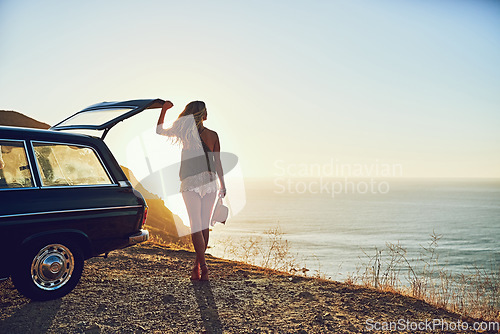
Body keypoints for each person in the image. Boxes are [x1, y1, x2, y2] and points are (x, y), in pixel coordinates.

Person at [156, 100, 226, 281]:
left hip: (190, 181)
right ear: (202, 114)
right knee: (203, 226)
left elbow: (159, 130)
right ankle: (198, 267)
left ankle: (201, 266)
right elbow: (218, 162)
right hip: (210, 181)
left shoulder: (184, 133)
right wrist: (223, 185)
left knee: (196, 225)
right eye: (206, 112)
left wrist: (164, 110)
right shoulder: (213, 135)